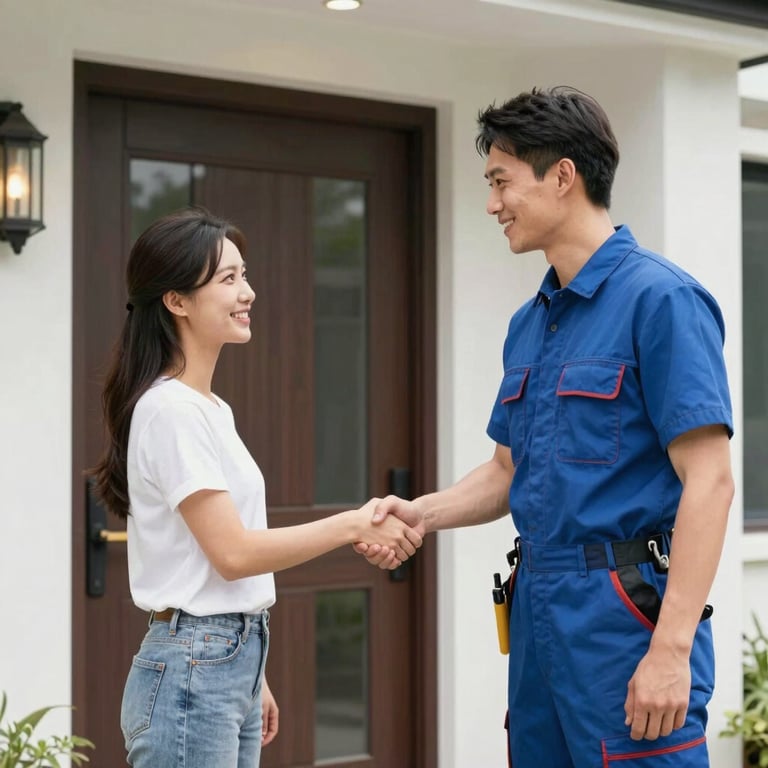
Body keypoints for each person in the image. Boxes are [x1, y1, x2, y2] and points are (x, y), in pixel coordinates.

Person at [356, 86, 734, 767]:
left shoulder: (662, 300)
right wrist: (420, 514)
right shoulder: (530, 324)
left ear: (563, 176)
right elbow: (507, 472)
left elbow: (711, 482)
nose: (492, 203)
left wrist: (671, 649)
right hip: (538, 615)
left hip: (624, 618)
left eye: (502, 182)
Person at [89, 206, 420, 768]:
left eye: (244, 275)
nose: (249, 293)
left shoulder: (210, 409)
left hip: (223, 663)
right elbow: (235, 552)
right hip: (196, 668)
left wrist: (253, 673)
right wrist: (354, 523)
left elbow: (221, 564)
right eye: (229, 279)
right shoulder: (171, 411)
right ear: (176, 300)